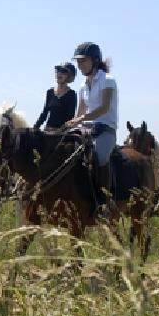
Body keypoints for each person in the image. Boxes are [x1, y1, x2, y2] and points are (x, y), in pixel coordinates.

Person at [65, 42, 118, 218]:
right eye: (78, 62)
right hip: (85, 129)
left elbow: (103, 108)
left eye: (83, 61)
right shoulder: (82, 86)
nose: (80, 65)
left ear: (95, 60)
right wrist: (71, 123)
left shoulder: (108, 80)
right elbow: (79, 113)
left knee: (99, 157)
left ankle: (104, 202)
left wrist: (82, 119)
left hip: (105, 130)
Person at [33, 62, 77, 131]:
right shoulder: (50, 92)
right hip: (48, 131)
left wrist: (61, 130)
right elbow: (44, 113)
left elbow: (70, 117)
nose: (59, 74)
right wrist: (35, 128)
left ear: (69, 76)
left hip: (63, 135)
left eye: (63, 72)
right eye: (58, 71)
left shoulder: (71, 94)